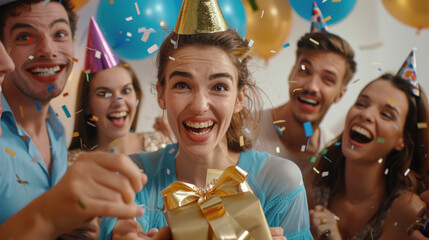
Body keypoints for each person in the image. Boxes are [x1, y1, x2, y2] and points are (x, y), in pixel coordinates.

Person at [100, 0, 312, 239]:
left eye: (219, 87)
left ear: (239, 98)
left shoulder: (280, 182)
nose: (199, 106)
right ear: (161, 94)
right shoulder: (131, 178)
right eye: (182, 85)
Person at [0, 1, 169, 239]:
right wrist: (48, 217)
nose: (48, 49)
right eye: (25, 36)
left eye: (59, 33)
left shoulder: (54, 130)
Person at [310, 73, 428, 240]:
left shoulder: (408, 212)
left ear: (402, 141)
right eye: (361, 104)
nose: (366, 115)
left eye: (386, 115)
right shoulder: (315, 191)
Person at [255, 32, 356, 191]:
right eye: (304, 70)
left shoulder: (331, 158)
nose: (311, 87)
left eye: (327, 79)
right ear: (291, 74)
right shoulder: (242, 127)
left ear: (340, 94)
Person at [68, 17, 170, 162]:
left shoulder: (162, 145)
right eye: (104, 94)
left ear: (137, 96)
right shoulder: (71, 164)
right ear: (87, 105)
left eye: (126, 91)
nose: (118, 101)